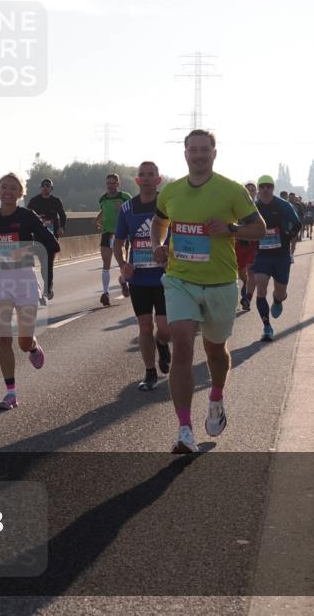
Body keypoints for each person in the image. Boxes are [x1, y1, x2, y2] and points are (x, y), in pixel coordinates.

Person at [151, 129, 266, 453]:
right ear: (185, 154)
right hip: (179, 280)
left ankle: (216, 397)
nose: (198, 155)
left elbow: (258, 229)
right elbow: (159, 222)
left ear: (214, 153)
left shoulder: (230, 190)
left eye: (204, 150)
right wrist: (158, 245)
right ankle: (184, 429)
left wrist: (230, 229)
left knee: (215, 352)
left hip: (220, 283)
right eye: (193, 150)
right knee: (183, 346)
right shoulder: (171, 192)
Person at [0, 172, 61, 410]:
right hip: (1, 278)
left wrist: (26, 250)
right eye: (4, 187)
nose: (7, 191)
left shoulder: (27, 216)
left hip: (24, 279)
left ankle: (33, 347)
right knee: (4, 339)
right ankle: (11, 393)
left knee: (23, 342)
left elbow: (52, 244)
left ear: (20, 192)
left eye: (13, 188)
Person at [113, 161, 172, 391]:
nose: (146, 178)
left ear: (159, 180)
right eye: (142, 175)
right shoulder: (127, 209)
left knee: (165, 329)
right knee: (145, 327)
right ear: (137, 180)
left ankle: (162, 343)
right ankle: (150, 373)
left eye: (151, 175)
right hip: (139, 278)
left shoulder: (168, 205)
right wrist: (123, 264)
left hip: (165, 276)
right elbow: (118, 242)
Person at [251, 175, 302, 342]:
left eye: (269, 186)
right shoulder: (254, 207)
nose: (265, 189)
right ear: (259, 189)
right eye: (262, 186)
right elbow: (243, 224)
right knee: (261, 289)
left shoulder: (283, 205)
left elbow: (297, 223)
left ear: (273, 188)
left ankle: (278, 299)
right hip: (262, 256)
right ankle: (266, 327)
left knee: (279, 294)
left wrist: (288, 236)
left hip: (281, 256)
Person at [27, 178, 67, 305]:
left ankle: (46, 290)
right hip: (38, 238)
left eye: (48, 186)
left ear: (51, 189)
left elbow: (63, 215)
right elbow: (26, 217)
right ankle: (48, 285)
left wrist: (61, 227)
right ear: (40, 188)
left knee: (48, 264)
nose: (45, 188)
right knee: (44, 266)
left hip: (52, 237)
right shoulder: (34, 201)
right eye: (43, 186)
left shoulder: (56, 201)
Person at [94, 173, 132, 305]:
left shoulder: (125, 197)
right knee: (106, 265)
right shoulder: (102, 199)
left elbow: (132, 212)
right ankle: (105, 293)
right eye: (108, 183)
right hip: (107, 233)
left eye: (113, 183)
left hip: (121, 234)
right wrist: (97, 221)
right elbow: (104, 211)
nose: (110, 186)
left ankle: (123, 281)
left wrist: (121, 209)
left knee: (122, 263)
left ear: (118, 183)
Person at [236, 181, 260, 311]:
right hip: (238, 245)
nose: (250, 192)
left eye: (252, 190)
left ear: (256, 193)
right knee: (240, 272)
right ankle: (245, 283)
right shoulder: (235, 207)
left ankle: (247, 298)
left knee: (252, 271)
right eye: (247, 190)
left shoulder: (259, 208)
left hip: (254, 245)